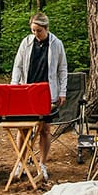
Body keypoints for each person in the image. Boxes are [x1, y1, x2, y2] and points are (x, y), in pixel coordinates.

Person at [10, 12, 68, 182]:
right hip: (27, 91)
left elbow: (62, 69)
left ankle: (42, 163)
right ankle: (21, 162)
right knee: (23, 129)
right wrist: (15, 86)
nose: (36, 34)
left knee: (45, 129)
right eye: (33, 30)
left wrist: (62, 91)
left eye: (39, 31)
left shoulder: (56, 44)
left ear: (46, 29)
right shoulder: (26, 43)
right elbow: (18, 66)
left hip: (47, 92)